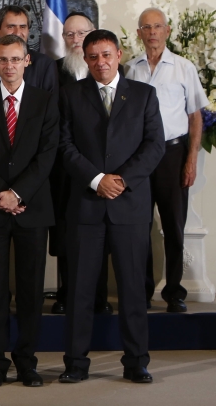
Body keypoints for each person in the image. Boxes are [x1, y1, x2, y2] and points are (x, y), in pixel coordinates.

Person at [57, 29, 164, 384]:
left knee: (133, 290)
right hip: (86, 207)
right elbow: (65, 145)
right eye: (92, 57)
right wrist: (96, 179)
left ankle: (136, 362)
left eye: (106, 55)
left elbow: (154, 146)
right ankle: (75, 362)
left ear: (119, 55)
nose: (100, 63)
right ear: (85, 60)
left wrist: (120, 180)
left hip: (129, 206)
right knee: (80, 290)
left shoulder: (144, 95)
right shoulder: (70, 94)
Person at [0, 35, 59, 388]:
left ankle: (26, 361)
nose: (9, 66)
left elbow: (48, 154)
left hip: (32, 208)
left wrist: (18, 192)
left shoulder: (45, 101)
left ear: (27, 61)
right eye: (3, 60)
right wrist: (1, 193)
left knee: (31, 289)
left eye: (15, 59)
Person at [126, 8, 207, 313]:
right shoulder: (130, 69)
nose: (152, 32)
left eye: (158, 26)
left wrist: (191, 161)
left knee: (174, 225)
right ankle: (142, 291)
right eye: (146, 27)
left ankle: (174, 291)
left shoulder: (183, 67)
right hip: (140, 156)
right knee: (139, 225)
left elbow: (195, 116)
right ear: (139, 33)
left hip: (174, 153)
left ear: (168, 30)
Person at [50, 13, 112, 315]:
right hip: (64, 170)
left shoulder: (110, 72)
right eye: (69, 34)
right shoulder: (51, 72)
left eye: (81, 33)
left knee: (101, 235)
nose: (75, 40)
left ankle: (99, 297)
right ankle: (65, 293)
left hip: (101, 172)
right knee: (66, 233)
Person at [0, 5, 57, 95]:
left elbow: (51, 105)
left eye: (22, 27)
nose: (17, 32)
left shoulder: (44, 64)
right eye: (11, 27)